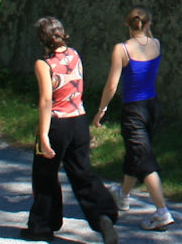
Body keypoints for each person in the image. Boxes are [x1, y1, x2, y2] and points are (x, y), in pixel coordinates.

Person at [25, 17, 118, 243]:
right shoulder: (74, 54)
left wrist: (43, 135)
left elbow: (46, 100)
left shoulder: (44, 64)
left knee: (45, 175)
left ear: (41, 39)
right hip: (79, 121)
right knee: (82, 173)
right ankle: (103, 216)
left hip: (57, 124)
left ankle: (43, 225)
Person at [93, 6, 175, 231]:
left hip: (134, 111)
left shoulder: (121, 49)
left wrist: (102, 109)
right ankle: (123, 195)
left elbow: (112, 85)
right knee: (136, 153)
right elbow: (148, 38)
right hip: (153, 108)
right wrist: (147, 29)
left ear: (127, 25)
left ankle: (162, 212)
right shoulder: (156, 44)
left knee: (144, 159)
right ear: (148, 25)